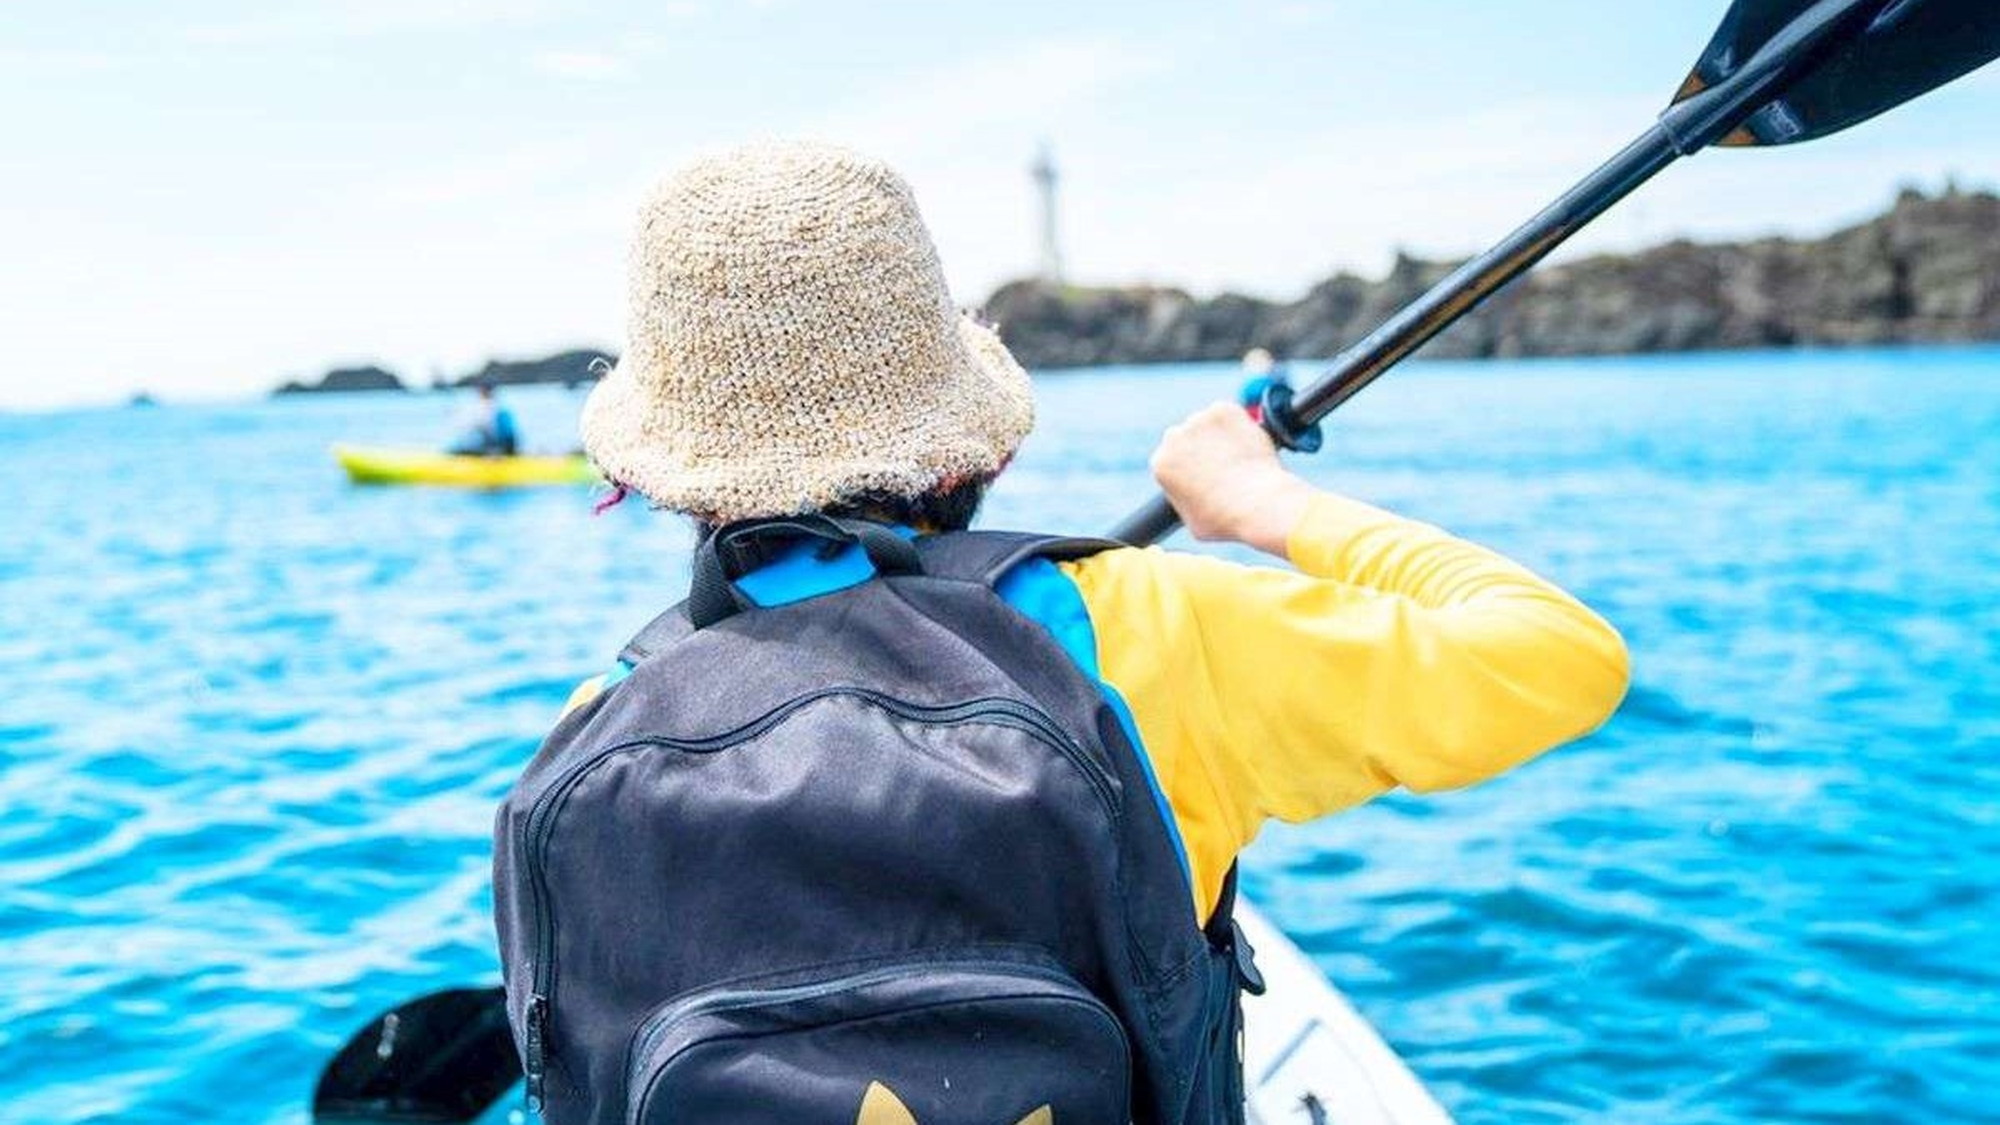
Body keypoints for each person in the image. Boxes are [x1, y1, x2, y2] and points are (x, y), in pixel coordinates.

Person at [493, 141, 1629, 1124]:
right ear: (973, 441)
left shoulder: (599, 714)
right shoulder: (1140, 624)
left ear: (664, 474)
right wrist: (1257, 505)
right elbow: (1554, 655)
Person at [450, 381, 520, 456]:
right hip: (506, 445)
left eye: (481, 390)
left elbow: (483, 427)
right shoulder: (499, 405)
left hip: (499, 447)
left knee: (461, 449)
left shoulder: (489, 406)